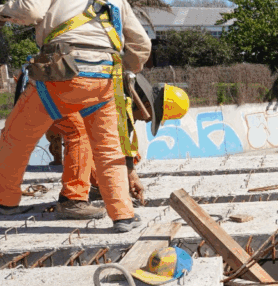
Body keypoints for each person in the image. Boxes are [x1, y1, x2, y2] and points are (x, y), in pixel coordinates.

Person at [0, 0, 151, 232]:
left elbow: (30, 11)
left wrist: (4, 11)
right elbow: (141, 46)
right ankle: (123, 216)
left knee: (15, 139)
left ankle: (5, 202)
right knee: (108, 150)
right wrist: (124, 67)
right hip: (105, 80)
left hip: (60, 75)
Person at [46, 81, 190, 218]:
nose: (146, 121)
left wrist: (131, 175)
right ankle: (72, 200)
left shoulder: (129, 97)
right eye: (150, 118)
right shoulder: (120, 97)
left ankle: (96, 187)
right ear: (146, 105)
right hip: (56, 97)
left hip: (62, 99)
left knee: (121, 155)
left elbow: (122, 142)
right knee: (80, 134)